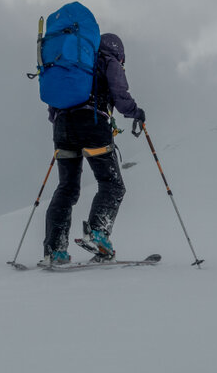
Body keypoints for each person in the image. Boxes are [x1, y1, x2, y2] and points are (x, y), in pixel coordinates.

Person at [40, 33, 146, 266]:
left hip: (62, 129)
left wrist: (66, 124)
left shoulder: (71, 66)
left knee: (66, 188)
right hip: (93, 125)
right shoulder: (108, 60)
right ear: (119, 52)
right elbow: (119, 94)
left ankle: (54, 250)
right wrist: (135, 112)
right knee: (112, 184)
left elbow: (52, 110)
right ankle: (98, 232)